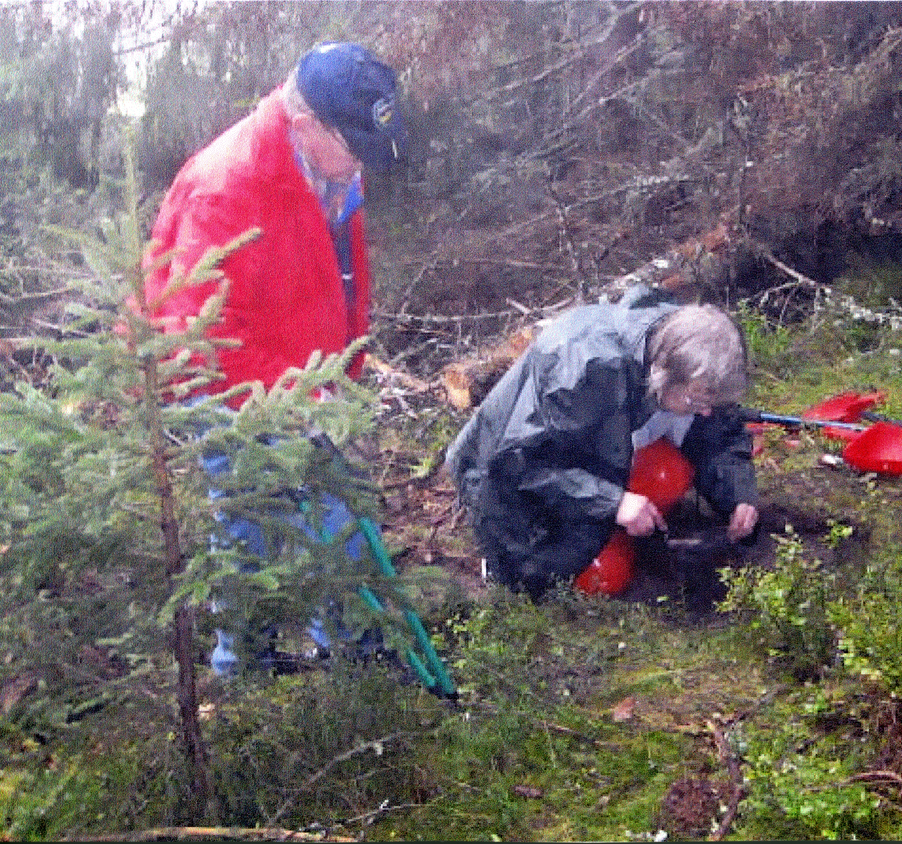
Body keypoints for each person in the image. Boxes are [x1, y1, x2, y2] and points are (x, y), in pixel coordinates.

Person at [141, 42, 405, 673]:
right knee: (247, 525)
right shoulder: (226, 186)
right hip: (223, 382)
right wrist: (295, 400)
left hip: (300, 372)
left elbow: (341, 278)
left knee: (337, 509)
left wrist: (338, 377)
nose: (361, 165)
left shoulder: (334, 169)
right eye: (354, 146)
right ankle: (244, 665)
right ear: (306, 121)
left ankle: (348, 646)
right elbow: (196, 331)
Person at [446, 285, 759, 600]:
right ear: (664, 374)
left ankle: (623, 529)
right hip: (503, 478)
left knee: (668, 475)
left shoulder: (680, 347)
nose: (704, 411)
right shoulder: (585, 372)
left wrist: (739, 496)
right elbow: (521, 466)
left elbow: (720, 430)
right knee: (597, 576)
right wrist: (613, 502)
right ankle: (504, 569)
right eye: (694, 401)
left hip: (596, 458)